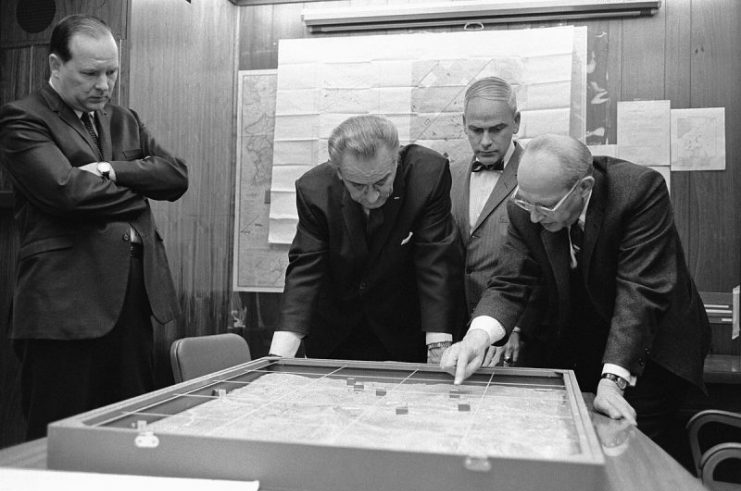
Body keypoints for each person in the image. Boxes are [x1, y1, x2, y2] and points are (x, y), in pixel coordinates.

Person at [441, 134, 710, 447]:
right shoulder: (527, 207)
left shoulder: (637, 190)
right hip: (586, 340)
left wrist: (612, 381)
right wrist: (477, 338)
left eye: (544, 207)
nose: (533, 217)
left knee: (637, 446)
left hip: (653, 345)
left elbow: (639, 293)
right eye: (526, 203)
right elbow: (509, 282)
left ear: (583, 188)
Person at [0, 15, 188, 440]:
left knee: (127, 435)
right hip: (63, 308)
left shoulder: (125, 119)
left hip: (133, 304)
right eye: (90, 73)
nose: (104, 84)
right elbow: (67, 192)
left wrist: (108, 169)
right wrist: (140, 190)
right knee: (60, 441)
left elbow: (175, 175)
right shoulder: (22, 119)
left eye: (112, 71)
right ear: (55, 65)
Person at [269, 114, 464, 363]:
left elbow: (436, 261)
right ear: (338, 173)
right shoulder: (314, 190)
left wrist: (438, 348)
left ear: (396, 161)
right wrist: (277, 359)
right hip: (336, 333)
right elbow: (305, 271)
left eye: (381, 182)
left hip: (405, 329)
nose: (372, 197)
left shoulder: (428, 175)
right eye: (358, 186)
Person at [450, 76, 539, 367]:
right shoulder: (448, 175)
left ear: (516, 122)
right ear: (464, 123)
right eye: (476, 130)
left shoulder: (539, 176)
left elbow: (543, 264)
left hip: (513, 336)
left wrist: (517, 326)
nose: (485, 141)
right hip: (454, 333)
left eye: (496, 129)